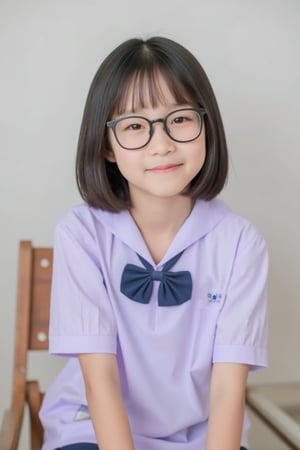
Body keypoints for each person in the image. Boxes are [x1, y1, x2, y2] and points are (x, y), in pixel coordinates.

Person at [39, 36, 268, 450]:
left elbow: (227, 391)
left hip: (200, 435)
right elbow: (100, 380)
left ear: (205, 124)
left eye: (179, 119)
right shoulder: (81, 233)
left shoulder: (240, 243)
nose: (161, 143)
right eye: (133, 126)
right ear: (107, 146)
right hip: (92, 428)